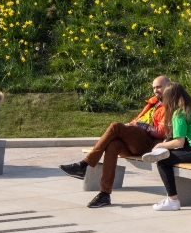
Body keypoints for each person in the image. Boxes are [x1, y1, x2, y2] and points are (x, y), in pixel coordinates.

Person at [58, 75, 171, 208]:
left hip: (151, 144)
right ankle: (104, 194)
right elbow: (138, 119)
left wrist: (141, 126)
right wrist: (130, 125)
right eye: (154, 88)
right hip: (138, 139)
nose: (156, 90)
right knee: (113, 145)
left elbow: (163, 132)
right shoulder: (154, 103)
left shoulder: (171, 104)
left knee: (115, 126)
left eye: (159, 87)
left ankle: (85, 164)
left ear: (168, 86)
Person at [144, 81, 191, 211]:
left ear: (169, 99)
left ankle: (172, 200)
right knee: (169, 154)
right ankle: (171, 199)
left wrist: (160, 146)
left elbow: (179, 142)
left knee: (162, 161)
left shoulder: (179, 113)